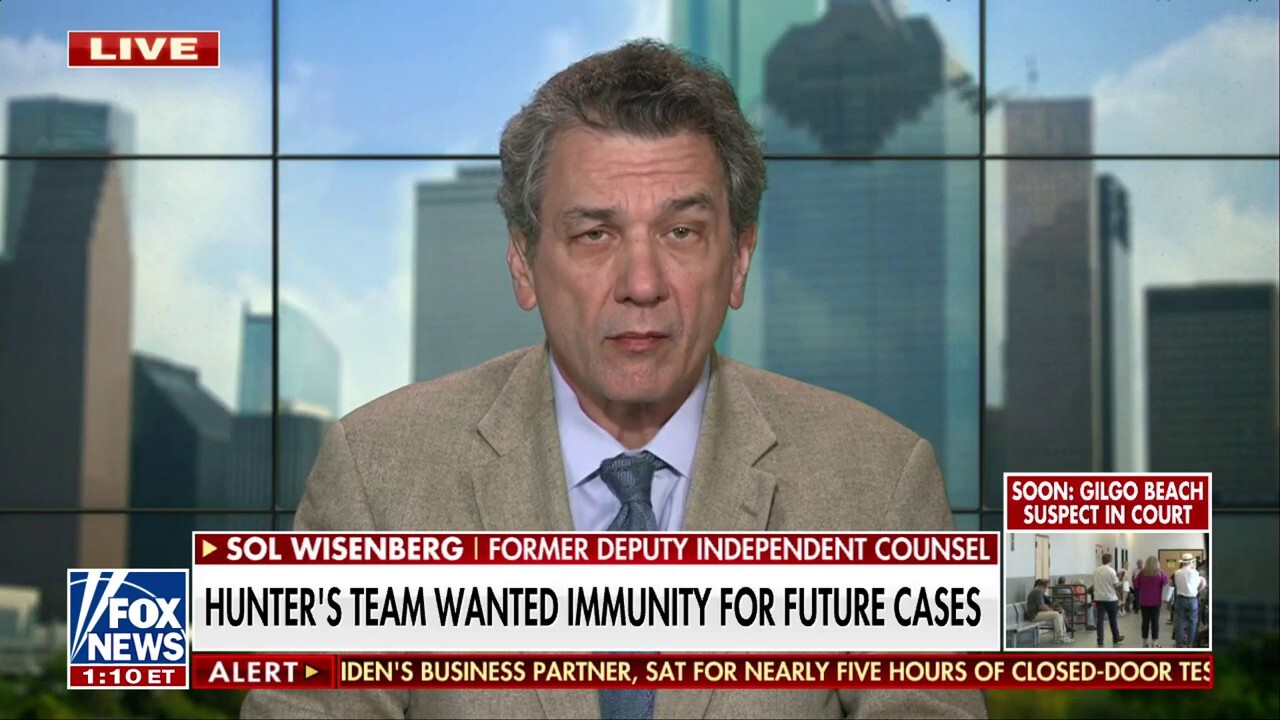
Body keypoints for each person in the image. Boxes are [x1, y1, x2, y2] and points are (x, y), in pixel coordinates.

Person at [240, 41, 987, 720]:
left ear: (738, 261)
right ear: (524, 264)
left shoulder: (879, 484)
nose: (642, 283)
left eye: (681, 232)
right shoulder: (377, 475)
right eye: (595, 234)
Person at [1132, 555, 1168, 648]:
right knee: (1155, 622)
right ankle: (1155, 643)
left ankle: (1145, 643)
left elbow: (1136, 584)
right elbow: (1166, 583)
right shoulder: (1160, 573)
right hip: (1156, 601)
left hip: (1144, 601)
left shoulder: (1142, 573)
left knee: (1145, 622)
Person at [1173, 553, 1207, 648]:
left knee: (1180, 621)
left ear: (1183, 562)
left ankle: (1179, 642)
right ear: (1191, 562)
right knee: (1193, 621)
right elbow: (1202, 583)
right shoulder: (1195, 573)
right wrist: (1197, 591)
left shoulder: (1177, 573)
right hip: (1192, 599)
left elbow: (1175, 584)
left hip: (1180, 599)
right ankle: (1191, 643)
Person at [1092, 553, 1124, 647]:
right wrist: (1121, 582)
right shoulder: (1111, 570)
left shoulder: (1096, 570)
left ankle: (1100, 639)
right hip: (1110, 598)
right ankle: (1116, 637)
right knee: (1113, 619)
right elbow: (1116, 585)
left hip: (1099, 597)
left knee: (1100, 620)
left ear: (1102, 560)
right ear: (1110, 560)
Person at [1026, 579, 1072, 644]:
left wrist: (1052, 610)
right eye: (1047, 587)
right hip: (1034, 615)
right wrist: (1052, 610)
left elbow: (1043, 605)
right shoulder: (1038, 591)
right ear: (1045, 586)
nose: (1047, 589)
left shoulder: (1038, 590)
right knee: (1056, 614)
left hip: (1037, 613)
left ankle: (1063, 635)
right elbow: (1041, 606)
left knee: (1059, 613)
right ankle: (1060, 637)